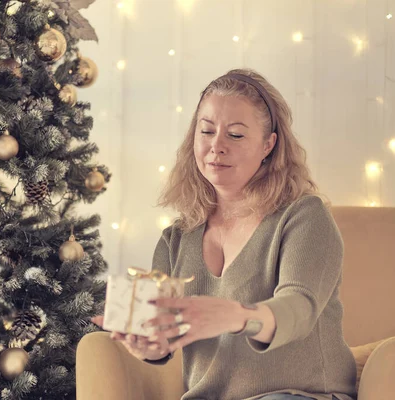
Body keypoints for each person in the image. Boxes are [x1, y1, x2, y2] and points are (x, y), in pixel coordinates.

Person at [92, 68, 357, 400]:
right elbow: (167, 334)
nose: (216, 147)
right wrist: (152, 345)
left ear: (268, 145)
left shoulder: (304, 216)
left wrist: (238, 316)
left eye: (235, 135)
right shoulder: (175, 238)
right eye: (206, 131)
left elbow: (299, 309)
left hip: (297, 394)